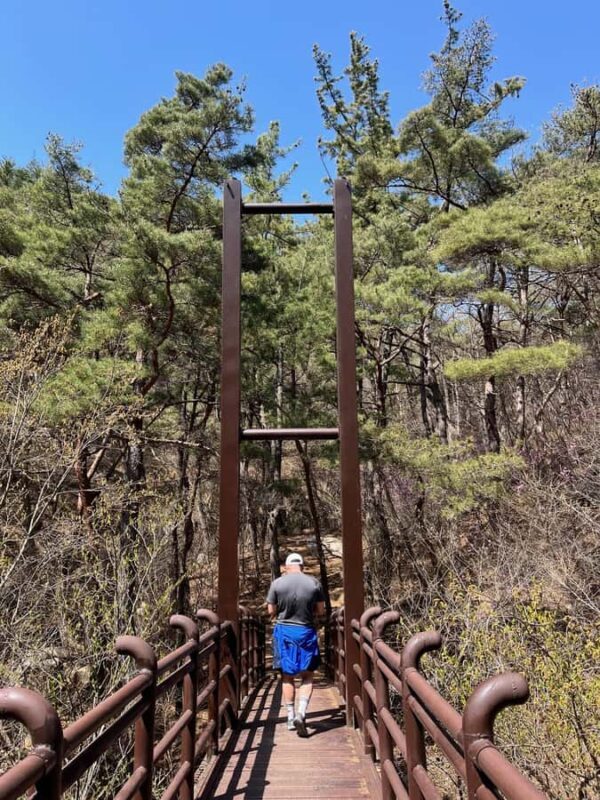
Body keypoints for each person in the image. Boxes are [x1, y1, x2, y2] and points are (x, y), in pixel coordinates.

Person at [266, 552, 325, 737]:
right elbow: (321, 610)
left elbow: (271, 610)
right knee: (307, 675)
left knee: (287, 676)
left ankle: (291, 717)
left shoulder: (277, 583)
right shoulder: (314, 583)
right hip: (306, 631)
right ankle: (302, 712)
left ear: (286, 566)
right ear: (302, 565)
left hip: (284, 632)